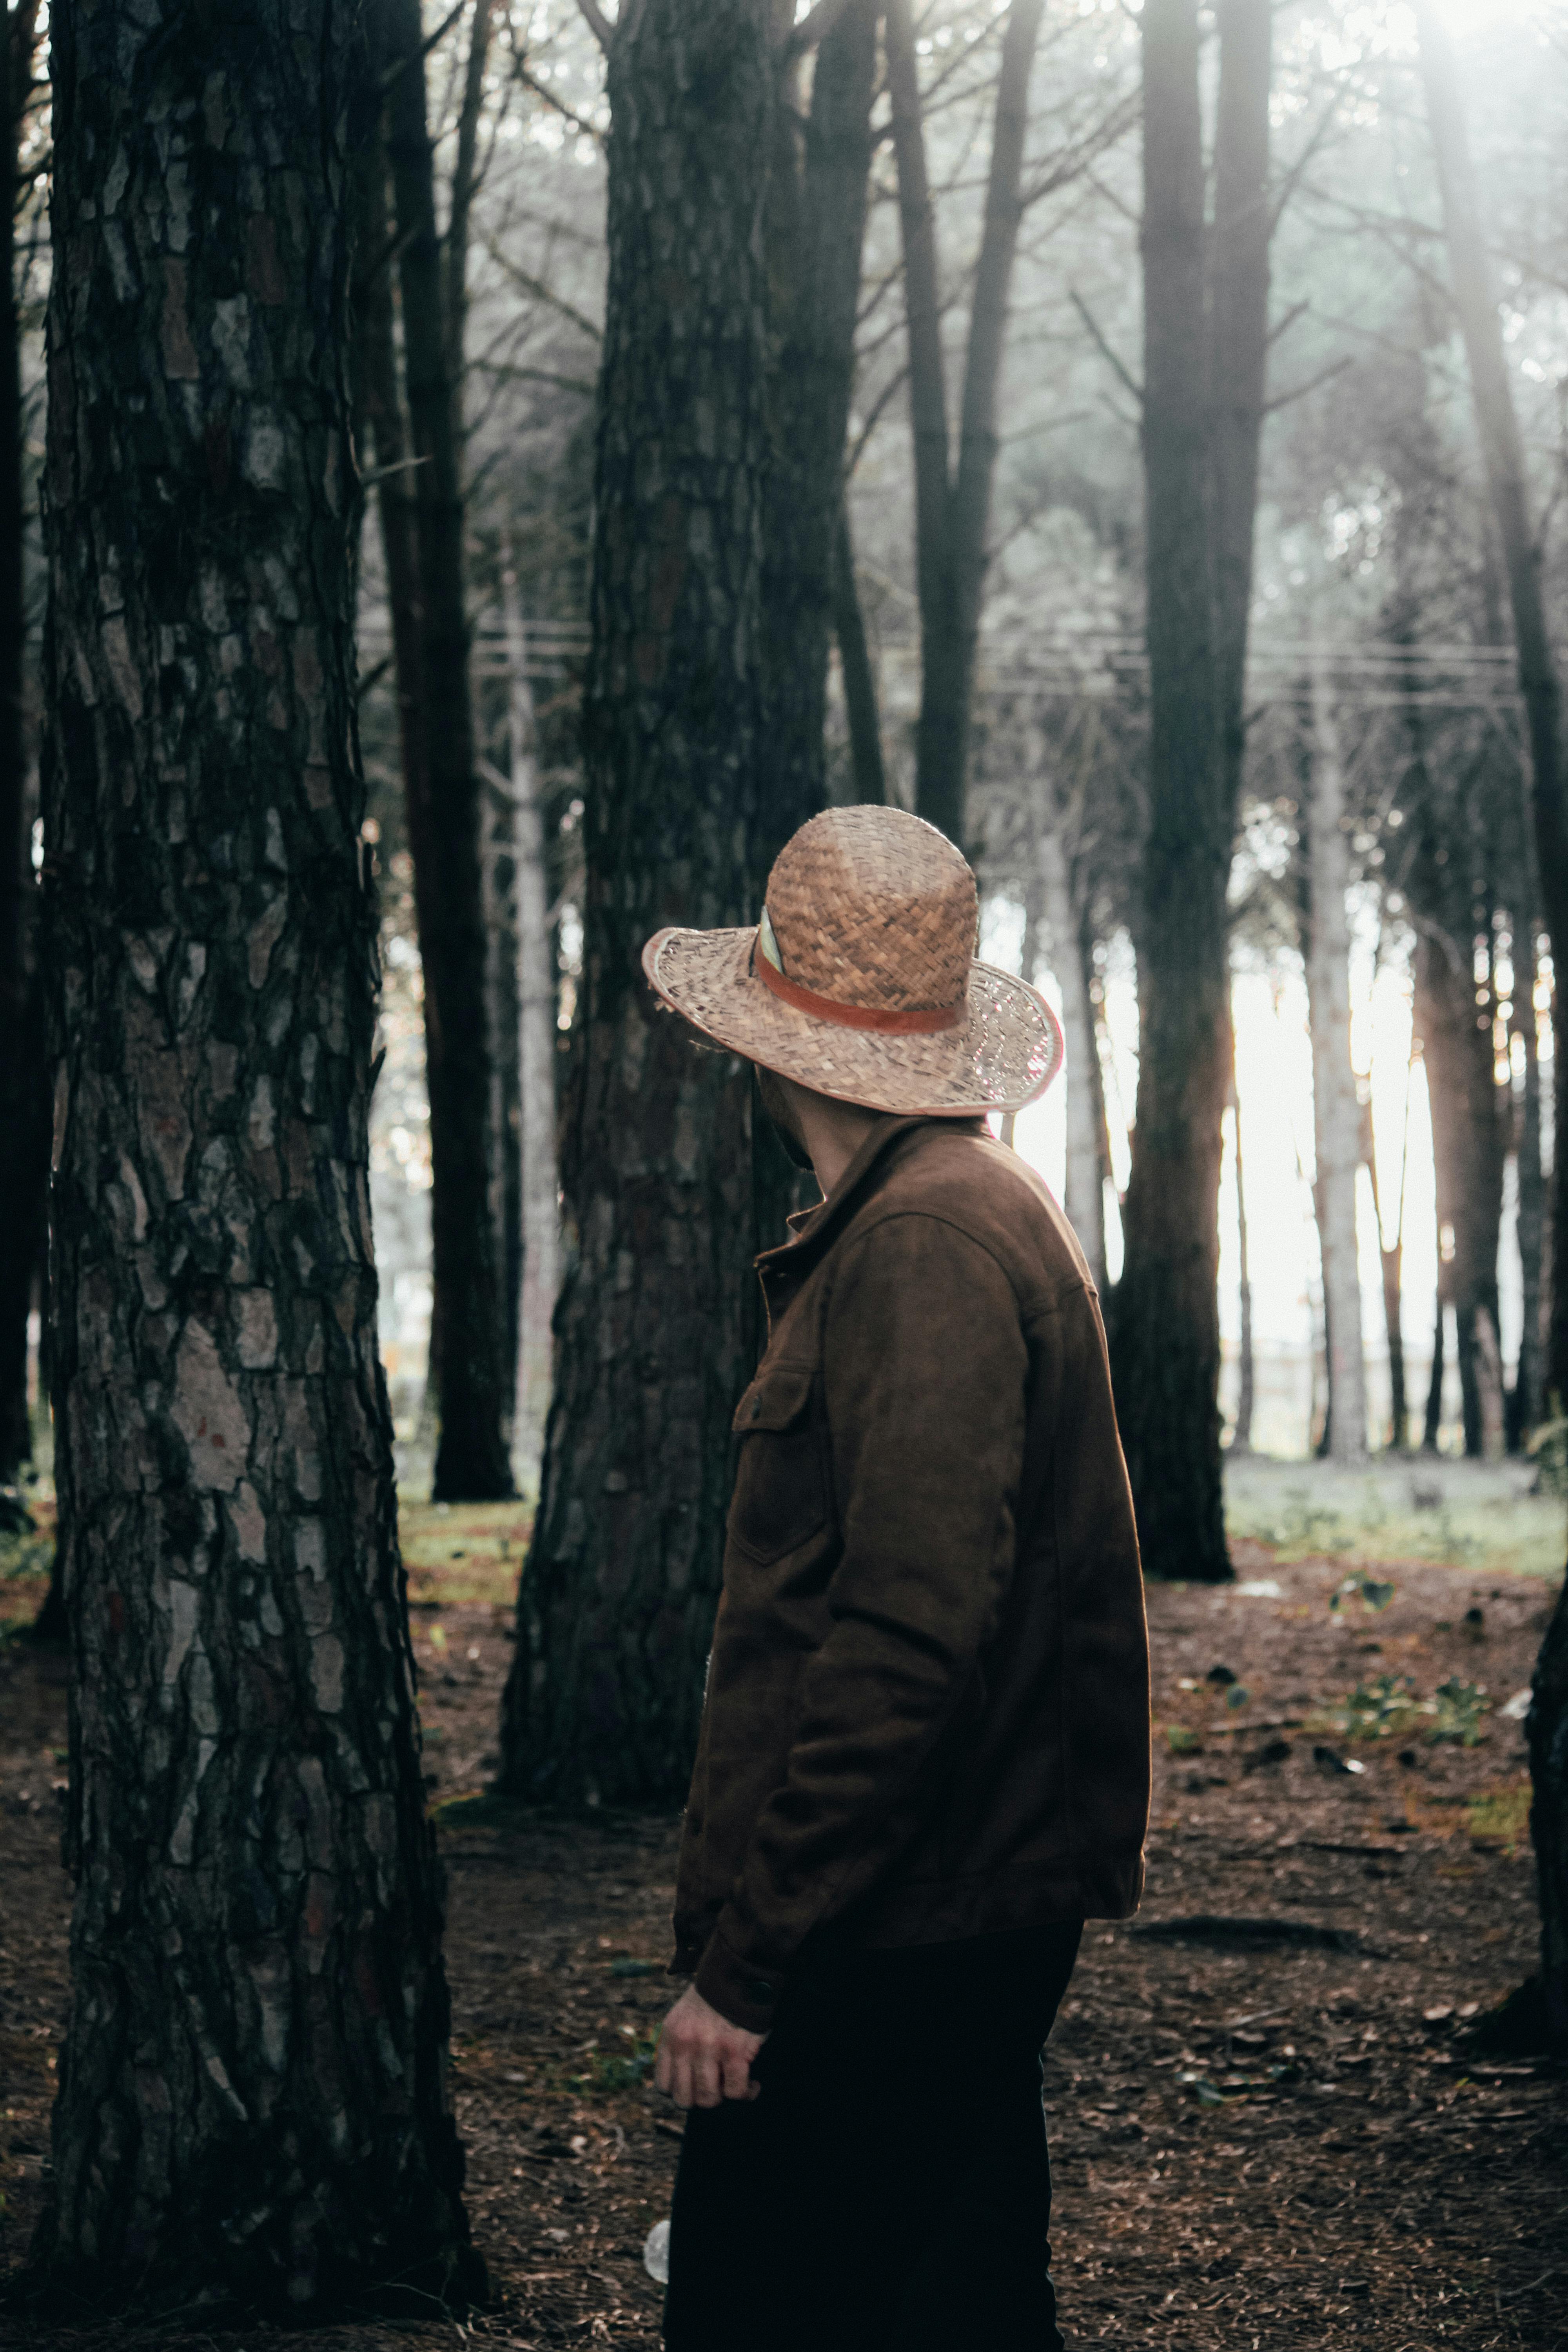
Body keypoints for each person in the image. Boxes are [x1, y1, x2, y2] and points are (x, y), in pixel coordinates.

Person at [640, 806, 1149, 2352]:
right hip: (935, 1908)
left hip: (894, 1926)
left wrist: (748, 1964)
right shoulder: (928, 1216)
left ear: (774, 1042)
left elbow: (907, 1641)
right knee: (961, 2307)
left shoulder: (927, 1238)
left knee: (755, 2313)